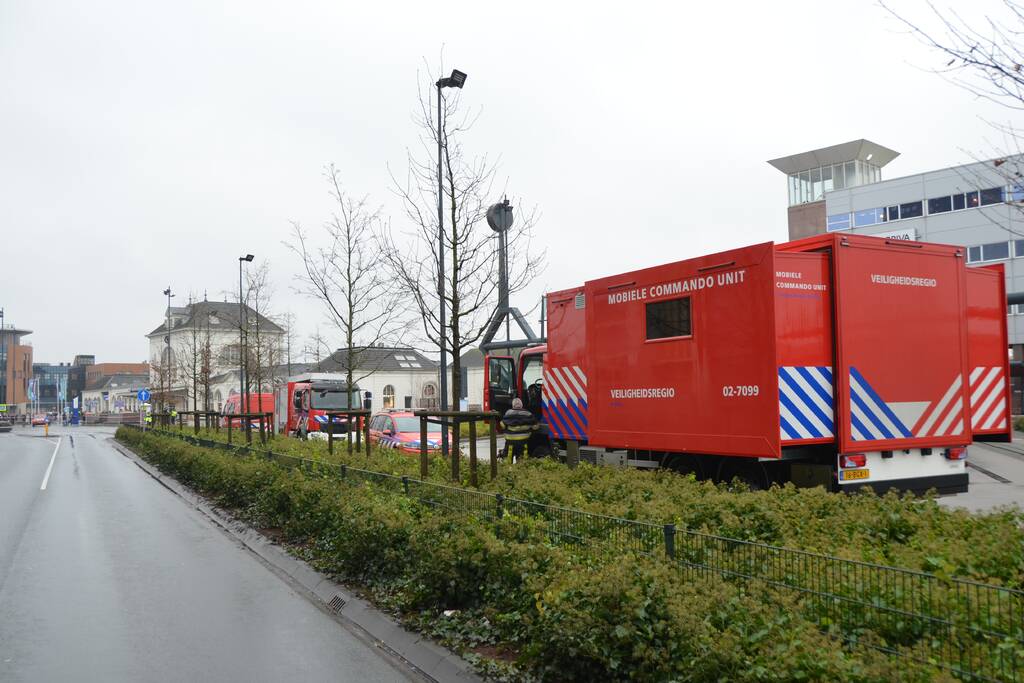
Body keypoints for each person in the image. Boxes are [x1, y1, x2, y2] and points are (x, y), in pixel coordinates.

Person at [500, 397, 538, 462]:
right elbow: (535, 427)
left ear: (513, 405)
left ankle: (507, 468)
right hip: (522, 442)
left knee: (507, 461)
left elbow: (502, 425)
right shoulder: (528, 414)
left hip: (510, 442)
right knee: (522, 461)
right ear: (522, 405)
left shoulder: (508, 413)